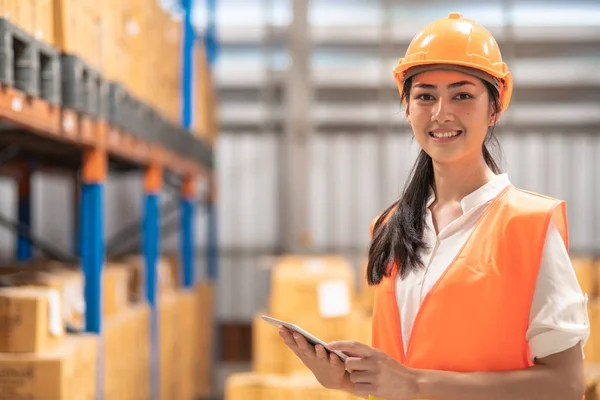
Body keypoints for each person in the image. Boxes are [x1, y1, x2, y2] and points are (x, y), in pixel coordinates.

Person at [278, 12, 590, 400]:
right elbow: (407, 367)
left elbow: (566, 385)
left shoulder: (528, 225)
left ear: (494, 109)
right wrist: (344, 377)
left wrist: (412, 384)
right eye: (425, 96)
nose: (441, 112)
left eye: (462, 95)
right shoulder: (391, 226)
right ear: (407, 108)